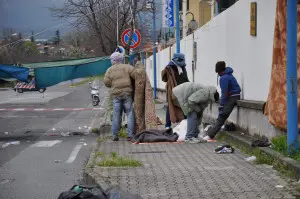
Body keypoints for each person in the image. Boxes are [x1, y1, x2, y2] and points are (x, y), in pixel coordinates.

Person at [203, 61, 241, 140]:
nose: (217, 74)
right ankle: (214, 131)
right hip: (234, 96)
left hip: (232, 97)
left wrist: (221, 105)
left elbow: (224, 93)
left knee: (222, 115)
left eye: (217, 72)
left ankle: (210, 135)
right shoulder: (229, 75)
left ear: (219, 71)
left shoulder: (224, 78)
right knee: (222, 115)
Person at [104, 52, 135, 141]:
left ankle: (114, 135)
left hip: (116, 95)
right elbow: (135, 75)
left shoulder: (109, 70)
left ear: (113, 60)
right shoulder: (127, 67)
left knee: (116, 115)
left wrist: (113, 85)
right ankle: (130, 135)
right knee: (129, 114)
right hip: (127, 94)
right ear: (121, 59)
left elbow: (106, 82)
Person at [162, 53, 189, 129]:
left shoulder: (182, 67)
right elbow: (164, 78)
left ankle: (185, 123)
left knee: (183, 106)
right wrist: (167, 69)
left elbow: (185, 78)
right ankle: (167, 125)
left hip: (182, 90)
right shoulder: (170, 67)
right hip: (173, 90)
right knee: (170, 107)